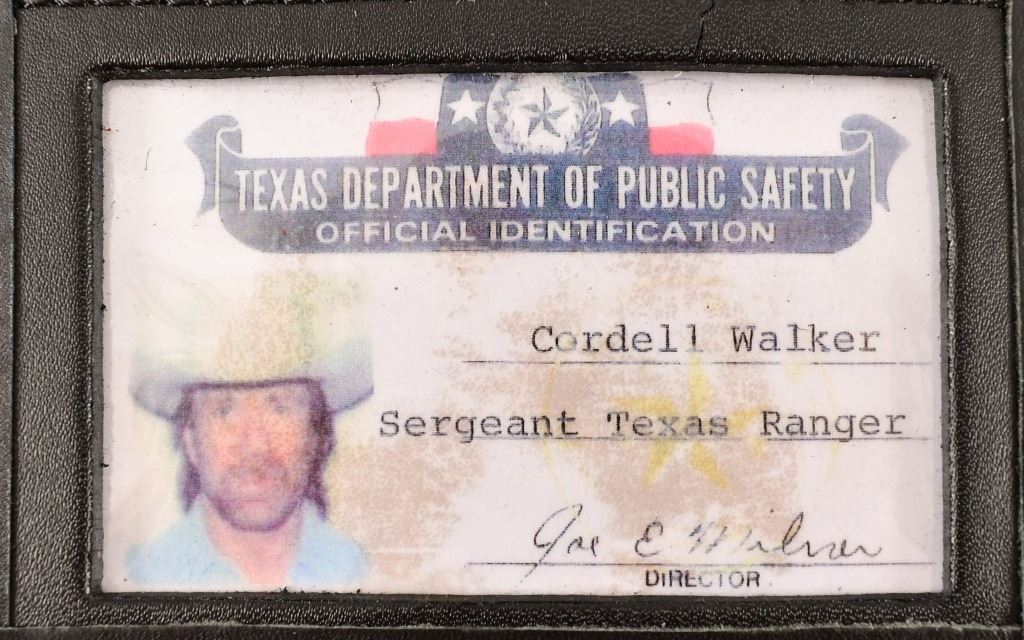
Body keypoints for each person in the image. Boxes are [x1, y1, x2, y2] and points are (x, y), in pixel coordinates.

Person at [123, 268, 372, 591]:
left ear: (317, 436)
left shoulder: (368, 574)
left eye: (279, 407)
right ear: (191, 442)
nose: (255, 444)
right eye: (224, 411)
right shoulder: (137, 580)